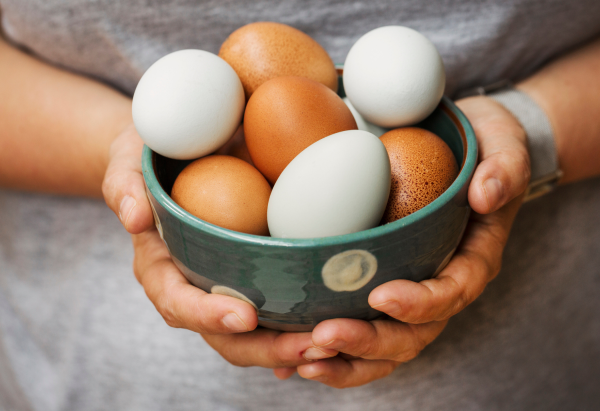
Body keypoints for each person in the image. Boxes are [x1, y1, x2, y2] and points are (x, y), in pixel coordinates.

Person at [1, 0, 599, 409]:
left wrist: (531, 132)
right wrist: (123, 153)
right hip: (95, 377)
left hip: (534, 361)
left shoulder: (349, 129)